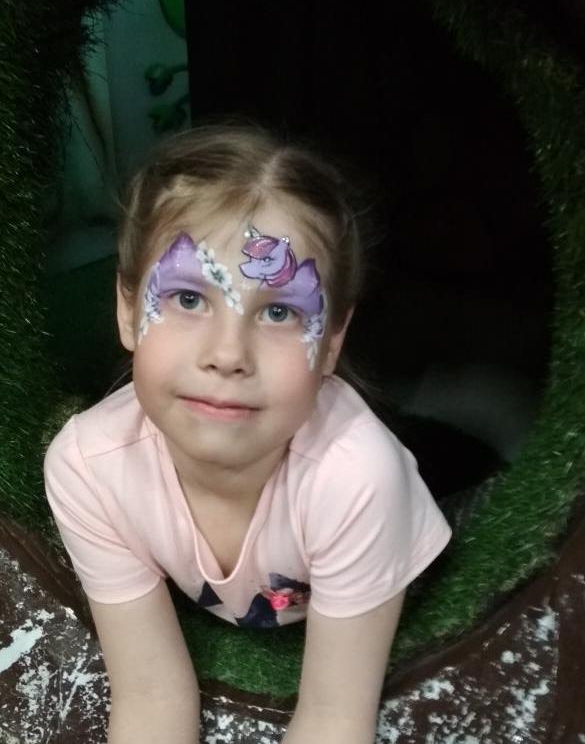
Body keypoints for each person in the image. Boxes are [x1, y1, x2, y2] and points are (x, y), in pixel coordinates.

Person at [44, 124, 452, 744]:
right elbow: (150, 693)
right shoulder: (87, 467)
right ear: (128, 310)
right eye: (187, 298)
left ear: (332, 342)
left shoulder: (357, 477)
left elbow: (335, 716)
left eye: (280, 311)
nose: (228, 354)